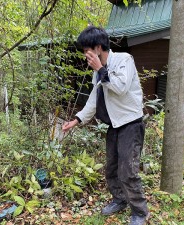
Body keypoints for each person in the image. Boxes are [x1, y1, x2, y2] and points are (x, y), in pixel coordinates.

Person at [62, 26, 149, 225]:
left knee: (128, 170)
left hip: (131, 124)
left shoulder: (123, 60)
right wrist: (76, 120)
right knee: (111, 168)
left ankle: (140, 212)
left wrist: (100, 70)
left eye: (87, 50)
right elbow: (94, 100)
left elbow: (120, 87)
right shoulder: (97, 73)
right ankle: (119, 200)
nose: (85, 55)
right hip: (114, 125)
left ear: (98, 47)